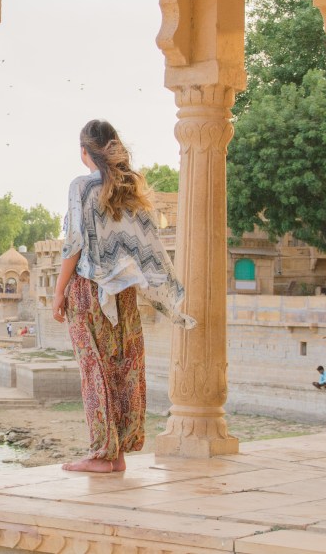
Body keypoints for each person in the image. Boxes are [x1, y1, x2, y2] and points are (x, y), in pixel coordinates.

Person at [52, 120, 195, 473]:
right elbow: (147, 246)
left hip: (88, 290)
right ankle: (117, 454)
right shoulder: (129, 190)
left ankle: (102, 454)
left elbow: (74, 244)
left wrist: (58, 293)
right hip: (124, 292)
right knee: (123, 367)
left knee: (94, 369)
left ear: (84, 151)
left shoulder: (81, 187)